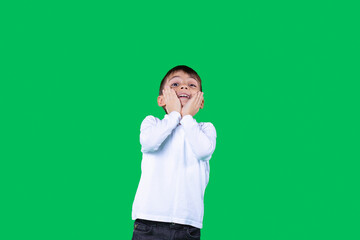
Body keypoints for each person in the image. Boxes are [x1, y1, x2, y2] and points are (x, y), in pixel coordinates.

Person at [131, 65, 217, 240]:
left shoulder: (205, 128)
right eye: (175, 84)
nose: (184, 87)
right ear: (162, 100)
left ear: (200, 102)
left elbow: (202, 151)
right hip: (149, 222)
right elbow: (149, 142)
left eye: (192, 85)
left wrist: (186, 117)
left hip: (188, 225)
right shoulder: (152, 122)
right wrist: (174, 115)